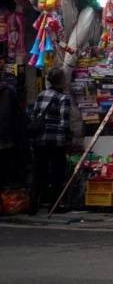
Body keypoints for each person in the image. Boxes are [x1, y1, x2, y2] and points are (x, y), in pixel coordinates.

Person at [28, 67, 72, 214]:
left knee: (39, 172)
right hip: (56, 141)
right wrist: (68, 139)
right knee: (57, 173)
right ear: (61, 80)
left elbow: (33, 116)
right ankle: (54, 205)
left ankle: (33, 204)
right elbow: (64, 122)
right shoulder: (63, 98)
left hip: (40, 140)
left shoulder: (41, 95)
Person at [0, 55, 25, 189]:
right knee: (7, 170)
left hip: (6, 136)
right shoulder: (9, 89)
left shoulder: (9, 89)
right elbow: (17, 114)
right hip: (7, 137)